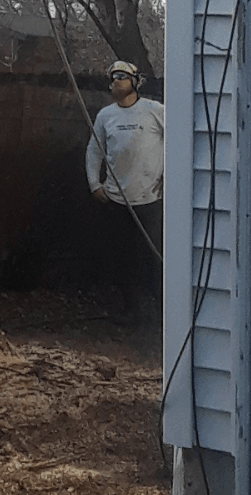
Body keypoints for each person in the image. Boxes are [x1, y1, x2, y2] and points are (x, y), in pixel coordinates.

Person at [86, 60, 165, 323]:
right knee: (123, 257)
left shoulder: (154, 110)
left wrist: (169, 177)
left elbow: (179, 139)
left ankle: (164, 312)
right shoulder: (105, 115)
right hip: (116, 200)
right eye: (112, 78)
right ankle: (131, 310)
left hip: (150, 199)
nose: (116, 81)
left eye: (122, 76)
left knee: (155, 255)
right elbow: (94, 150)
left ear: (136, 81)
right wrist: (94, 184)